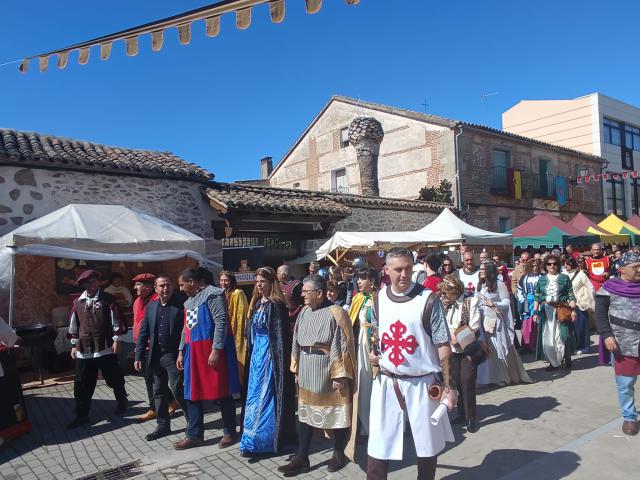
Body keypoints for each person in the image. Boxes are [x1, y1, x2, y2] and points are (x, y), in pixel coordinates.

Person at [367, 248, 456, 480]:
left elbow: (443, 347)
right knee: (378, 443)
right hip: (387, 381)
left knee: (427, 446)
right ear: (386, 270)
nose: (404, 274)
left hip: (422, 383)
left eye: (408, 268)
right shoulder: (378, 299)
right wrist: (374, 353)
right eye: (398, 270)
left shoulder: (429, 300)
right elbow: (377, 333)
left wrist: (449, 386)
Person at [278, 275, 356, 475]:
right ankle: (301, 458)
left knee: (335, 414)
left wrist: (339, 374)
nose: (302, 294)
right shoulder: (304, 312)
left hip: (328, 370)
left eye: (306, 291)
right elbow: (296, 339)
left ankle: (339, 453)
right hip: (307, 368)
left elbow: (343, 345)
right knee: (304, 416)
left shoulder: (337, 313)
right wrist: (296, 367)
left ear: (319, 293)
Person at [175, 268, 241, 450]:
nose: (180, 289)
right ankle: (194, 434)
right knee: (192, 394)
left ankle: (229, 432)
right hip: (193, 352)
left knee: (222, 391)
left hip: (211, 350)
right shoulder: (188, 302)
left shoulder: (214, 294)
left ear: (192, 282)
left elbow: (221, 322)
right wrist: (181, 350)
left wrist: (216, 349)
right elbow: (186, 328)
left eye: (182, 284)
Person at [240, 267, 297, 456]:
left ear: (271, 283)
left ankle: (263, 440)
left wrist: (277, 361)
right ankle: (250, 438)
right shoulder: (257, 304)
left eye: (262, 281)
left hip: (270, 356)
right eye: (257, 281)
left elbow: (281, 339)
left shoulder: (276, 305)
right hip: (257, 355)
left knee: (266, 396)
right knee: (253, 394)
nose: (259, 285)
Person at [67, 270, 128, 429]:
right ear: (83, 284)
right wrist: (74, 345)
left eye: (94, 282)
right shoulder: (77, 302)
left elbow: (117, 321)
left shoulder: (108, 299)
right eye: (87, 283)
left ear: (99, 283)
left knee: (113, 377)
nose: (91, 285)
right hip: (84, 348)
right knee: (82, 383)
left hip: (105, 346)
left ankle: (122, 401)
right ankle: (82, 415)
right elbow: (73, 325)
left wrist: (117, 340)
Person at [134, 274, 186, 441]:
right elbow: (143, 332)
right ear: (155, 289)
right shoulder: (151, 306)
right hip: (156, 356)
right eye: (161, 286)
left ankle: (193, 423)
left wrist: (183, 351)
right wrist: (138, 355)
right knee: (159, 392)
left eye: (168, 285)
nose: (165, 288)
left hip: (174, 355)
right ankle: (163, 426)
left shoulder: (181, 305)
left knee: (178, 389)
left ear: (172, 286)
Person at [595, 252, 640, 436]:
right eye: (635, 266)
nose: (639, 269)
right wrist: (607, 335)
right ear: (622, 269)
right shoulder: (608, 288)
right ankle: (629, 417)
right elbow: (600, 315)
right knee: (626, 383)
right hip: (623, 343)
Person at [476, 263, 531, 386]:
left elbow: (506, 302)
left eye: (483, 269)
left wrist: (494, 304)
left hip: (496, 322)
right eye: (480, 269)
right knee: (488, 349)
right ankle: (489, 377)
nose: (480, 271)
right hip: (483, 321)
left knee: (498, 348)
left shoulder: (499, 285)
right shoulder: (480, 286)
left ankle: (502, 376)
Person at [440, 274, 483, 433]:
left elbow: (475, 326)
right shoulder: (444, 304)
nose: (443, 296)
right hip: (451, 350)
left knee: (467, 380)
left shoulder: (470, 302)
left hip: (467, 349)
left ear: (455, 291)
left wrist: (456, 337)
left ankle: (471, 417)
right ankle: (461, 413)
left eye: (446, 293)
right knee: (455, 380)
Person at [533, 254, 578, 371]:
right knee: (549, 338)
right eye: (549, 264)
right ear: (545, 266)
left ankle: (567, 355)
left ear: (558, 265)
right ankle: (554, 362)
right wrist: (535, 312)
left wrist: (573, 310)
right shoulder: (541, 280)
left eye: (555, 264)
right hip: (546, 311)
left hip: (562, 309)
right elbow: (537, 296)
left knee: (564, 335)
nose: (552, 266)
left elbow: (570, 294)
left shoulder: (564, 278)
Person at [348, 266, 377, 437]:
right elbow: (351, 323)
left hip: (374, 345)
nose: (359, 281)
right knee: (363, 385)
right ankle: (365, 425)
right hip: (360, 344)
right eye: (358, 278)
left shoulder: (379, 298)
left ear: (372, 281)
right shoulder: (357, 298)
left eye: (363, 278)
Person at [219, 271, 249, 384]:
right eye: (221, 280)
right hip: (222, 332)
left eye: (226, 280)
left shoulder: (238, 293)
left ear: (231, 281)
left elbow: (242, 315)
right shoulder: (220, 294)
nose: (223, 283)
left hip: (235, 331)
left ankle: (238, 386)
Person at [585, 243, 612, 366]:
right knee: (596, 312)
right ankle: (597, 328)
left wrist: (608, 273)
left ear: (601, 250)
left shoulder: (607, 259)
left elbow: (613, 270)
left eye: (598, 250)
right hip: (593, 289)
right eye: (594, 250)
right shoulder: (587, 261)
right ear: (591, 250)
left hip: (606, 288)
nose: (596, 252)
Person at [563, 257, 595, 355]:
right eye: (564, 263)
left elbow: (591, 287)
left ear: (572, 264)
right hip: (566, 304)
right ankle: (572, 346)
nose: (565, 265)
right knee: (569, 327)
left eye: (567, 263)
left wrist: (588, 299)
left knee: (581, 326)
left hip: (580, 303)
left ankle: (584, 347)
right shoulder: (562, 275)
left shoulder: (581, 274)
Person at [516, 259, 542, 352]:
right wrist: (523, 300)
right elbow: (519, 291)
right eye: (533, 266)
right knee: (527, 324)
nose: (535, 268)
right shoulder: (524, 278)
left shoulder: (542, 277)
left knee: (538, 324)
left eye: (536, 266)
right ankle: (527, 346)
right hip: (528, 303)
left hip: (539, 302)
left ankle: (538, 346)